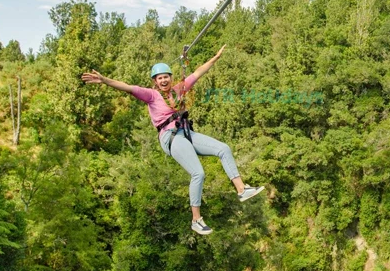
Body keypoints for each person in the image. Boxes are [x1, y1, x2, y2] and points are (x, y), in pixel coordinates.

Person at [81, 45, 264, 235]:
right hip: (171, 137)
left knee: (223, 148)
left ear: (170, 77)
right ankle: (196, 220)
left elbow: (198, 72)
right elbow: (127, 87)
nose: (163, 80)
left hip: (186, 133)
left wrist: (215, 58)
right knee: (198, 173)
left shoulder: (179, 89)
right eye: (159, 78)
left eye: (166, 76)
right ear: (155, 81)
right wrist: (104, 80)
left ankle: (242, 190)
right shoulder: (151, 95)